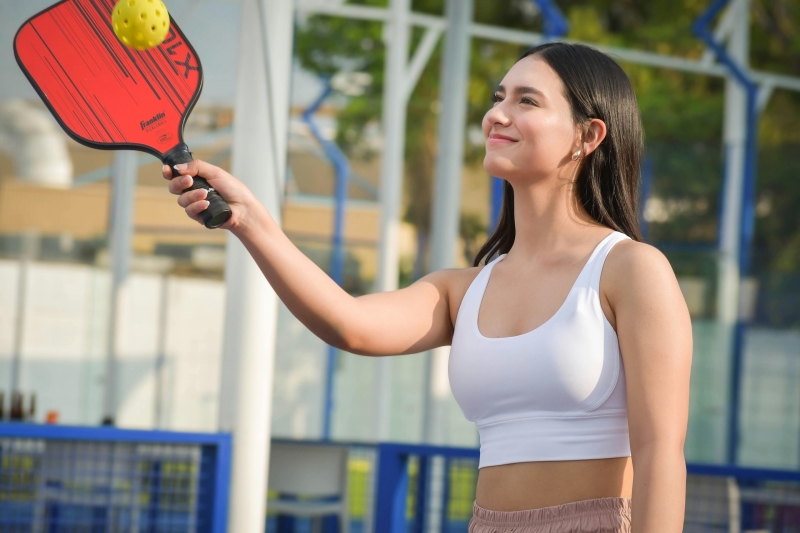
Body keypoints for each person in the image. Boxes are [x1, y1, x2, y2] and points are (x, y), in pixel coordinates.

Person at [163, 42, 692, 533]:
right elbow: (348, 323)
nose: (497, 115)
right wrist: (250, 220)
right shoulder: (463, 290)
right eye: (498, 97)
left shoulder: (631, 270)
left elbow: (660, 451)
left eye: (527, 100)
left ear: (588, 135)